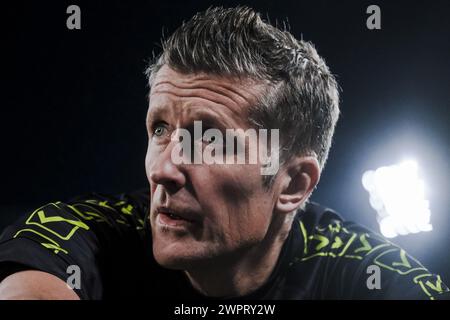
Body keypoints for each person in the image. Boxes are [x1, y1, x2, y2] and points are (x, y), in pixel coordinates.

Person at [0, 6, 448, 300]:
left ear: (292, 183)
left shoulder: (371, 277)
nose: (163, 170)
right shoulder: (93, 236)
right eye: (160, 129)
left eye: (209, 140)